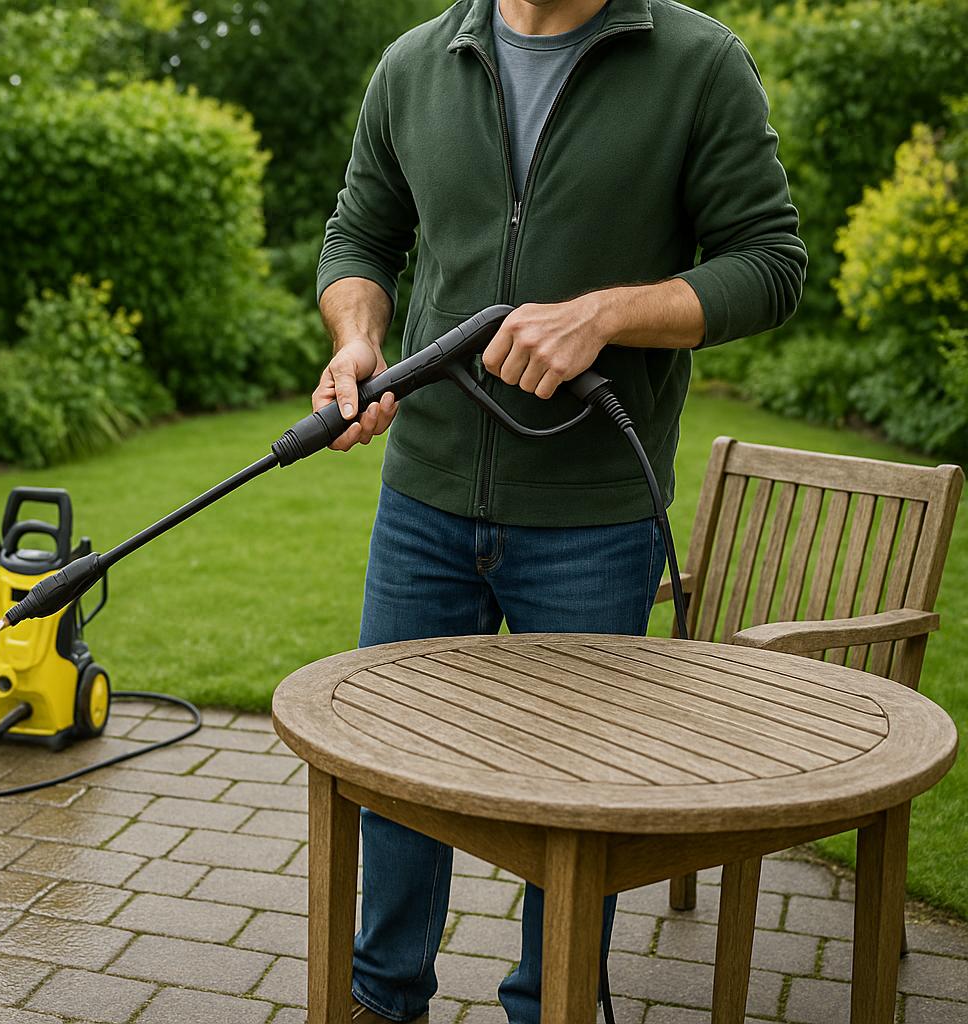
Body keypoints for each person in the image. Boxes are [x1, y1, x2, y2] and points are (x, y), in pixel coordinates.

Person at [313, 0, 807, 1019]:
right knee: (396, 777)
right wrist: (357, 336)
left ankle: (556, 1001)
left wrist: (609, 311)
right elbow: (361, 234)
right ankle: (379, 995)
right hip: (425, 498)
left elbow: (769, 265)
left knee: (577, 802)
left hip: (595, 517)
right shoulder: (413, 65)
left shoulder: (699, 63)